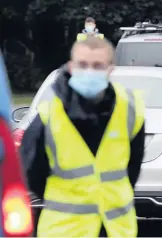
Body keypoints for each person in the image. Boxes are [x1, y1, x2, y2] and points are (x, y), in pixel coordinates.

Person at [20, 37, 145, 237]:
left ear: (110, 69)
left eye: (97, 66)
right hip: (66, 230)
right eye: (82, 65)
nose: (89, 72)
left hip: (115, 229)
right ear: (71, 67)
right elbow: (32, 173)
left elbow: (133, 166)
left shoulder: (129, 109)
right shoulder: (48, 117)